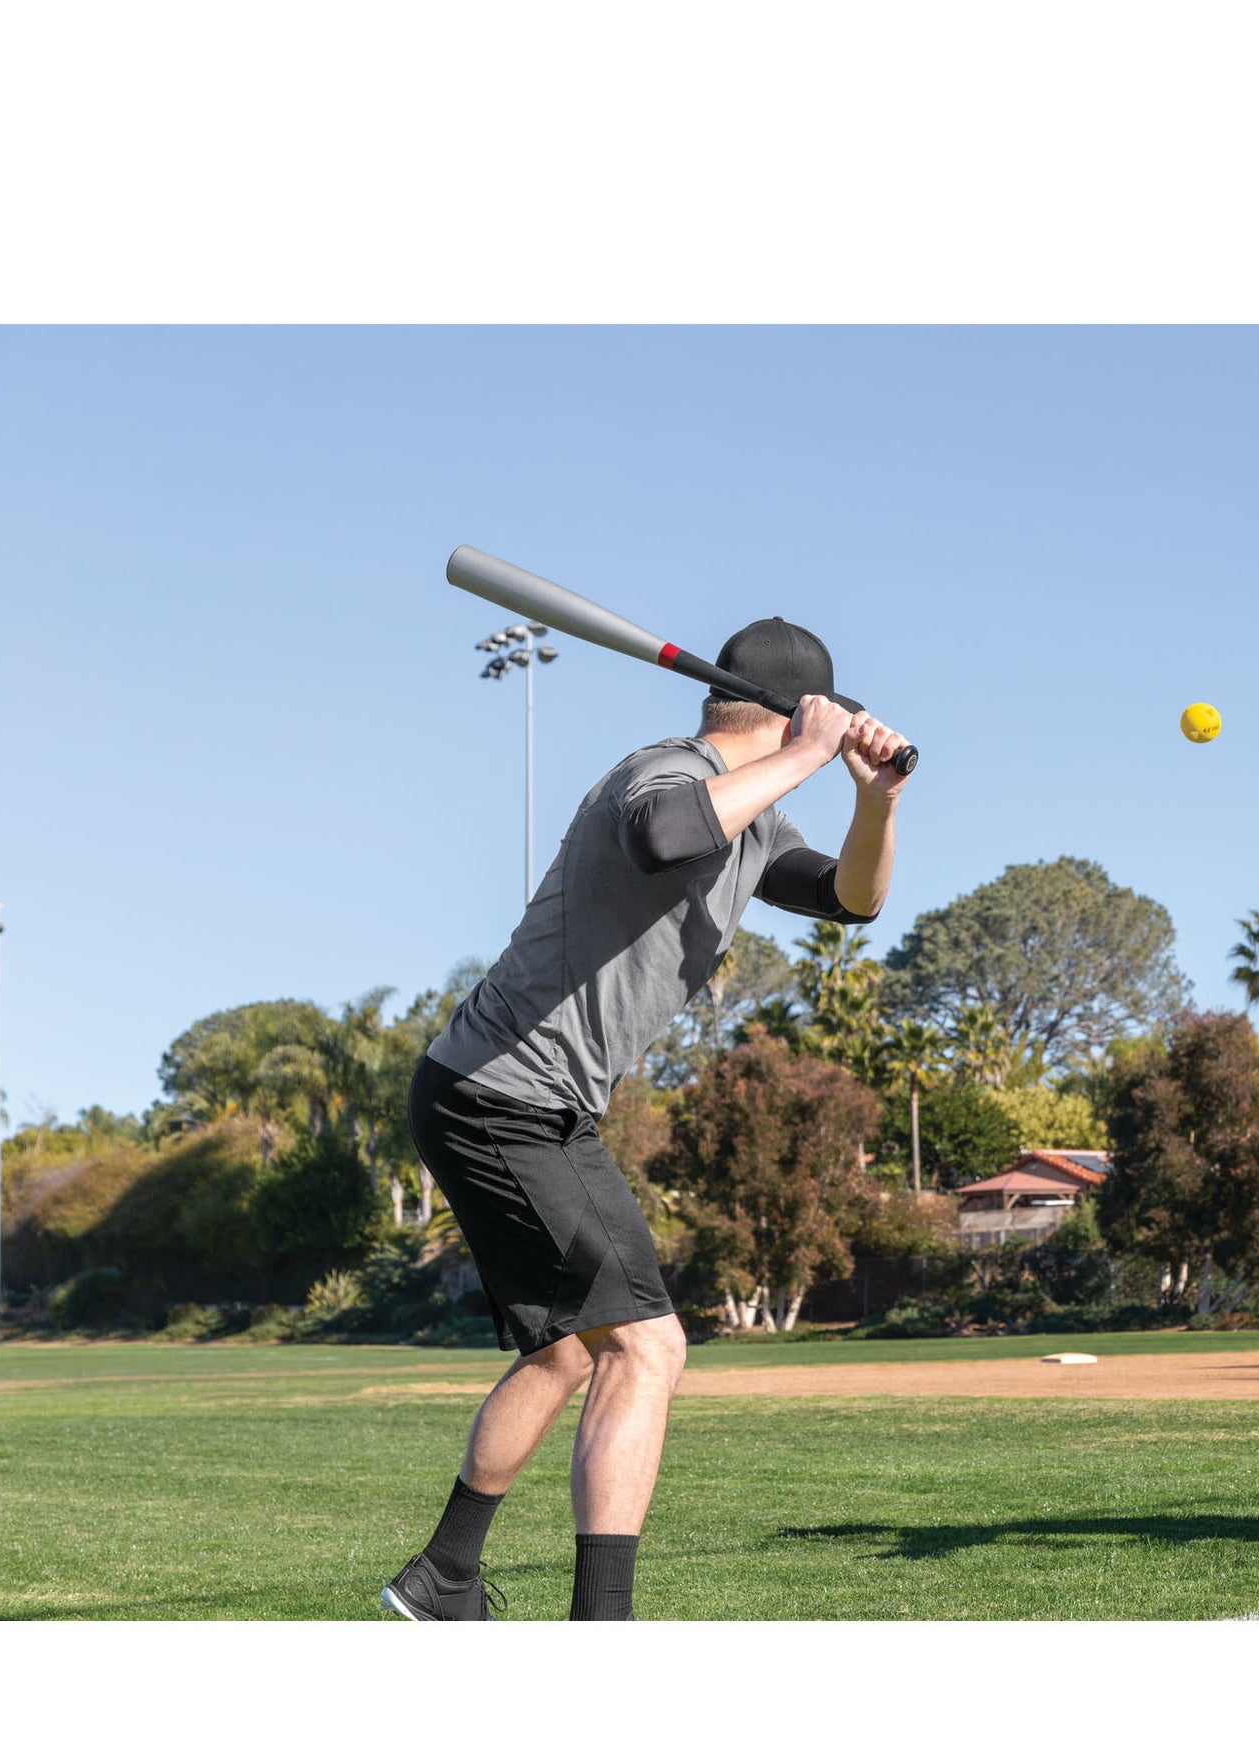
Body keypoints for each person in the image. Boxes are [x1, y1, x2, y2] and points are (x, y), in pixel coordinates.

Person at [381, 617, 912, 1619]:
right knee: (649, 1345)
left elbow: (851, 900)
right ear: (798, 711)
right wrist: (806, 752)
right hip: (506, 1093)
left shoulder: (754, 821)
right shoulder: (664, 772)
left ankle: (444, 1572)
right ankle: (601, 1628)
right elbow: (662, 835)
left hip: (510, 1097)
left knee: (567, 1347)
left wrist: (873, 802)